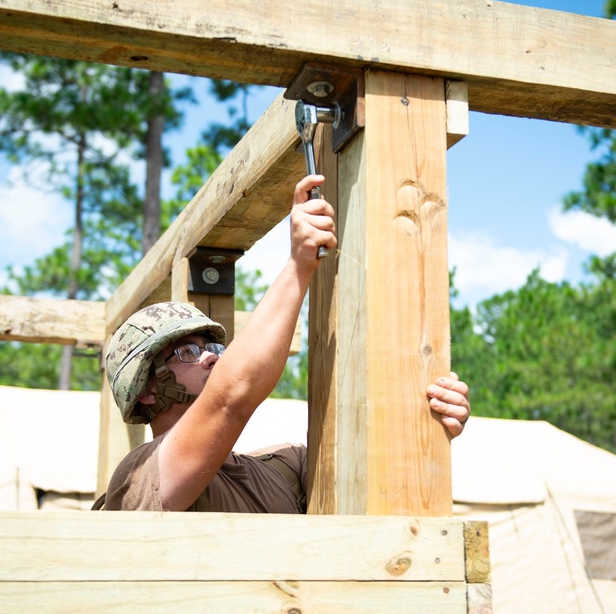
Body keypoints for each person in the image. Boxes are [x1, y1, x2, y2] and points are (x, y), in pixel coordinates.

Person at [95, 174, 470, 513]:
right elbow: (230, 398)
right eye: (188, 352)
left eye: (213, 348)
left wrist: (431, 418)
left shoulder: (285, 468)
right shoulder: (140, 476)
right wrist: (298, 265)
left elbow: (375, 464)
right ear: (146, 390)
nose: (211, 358)